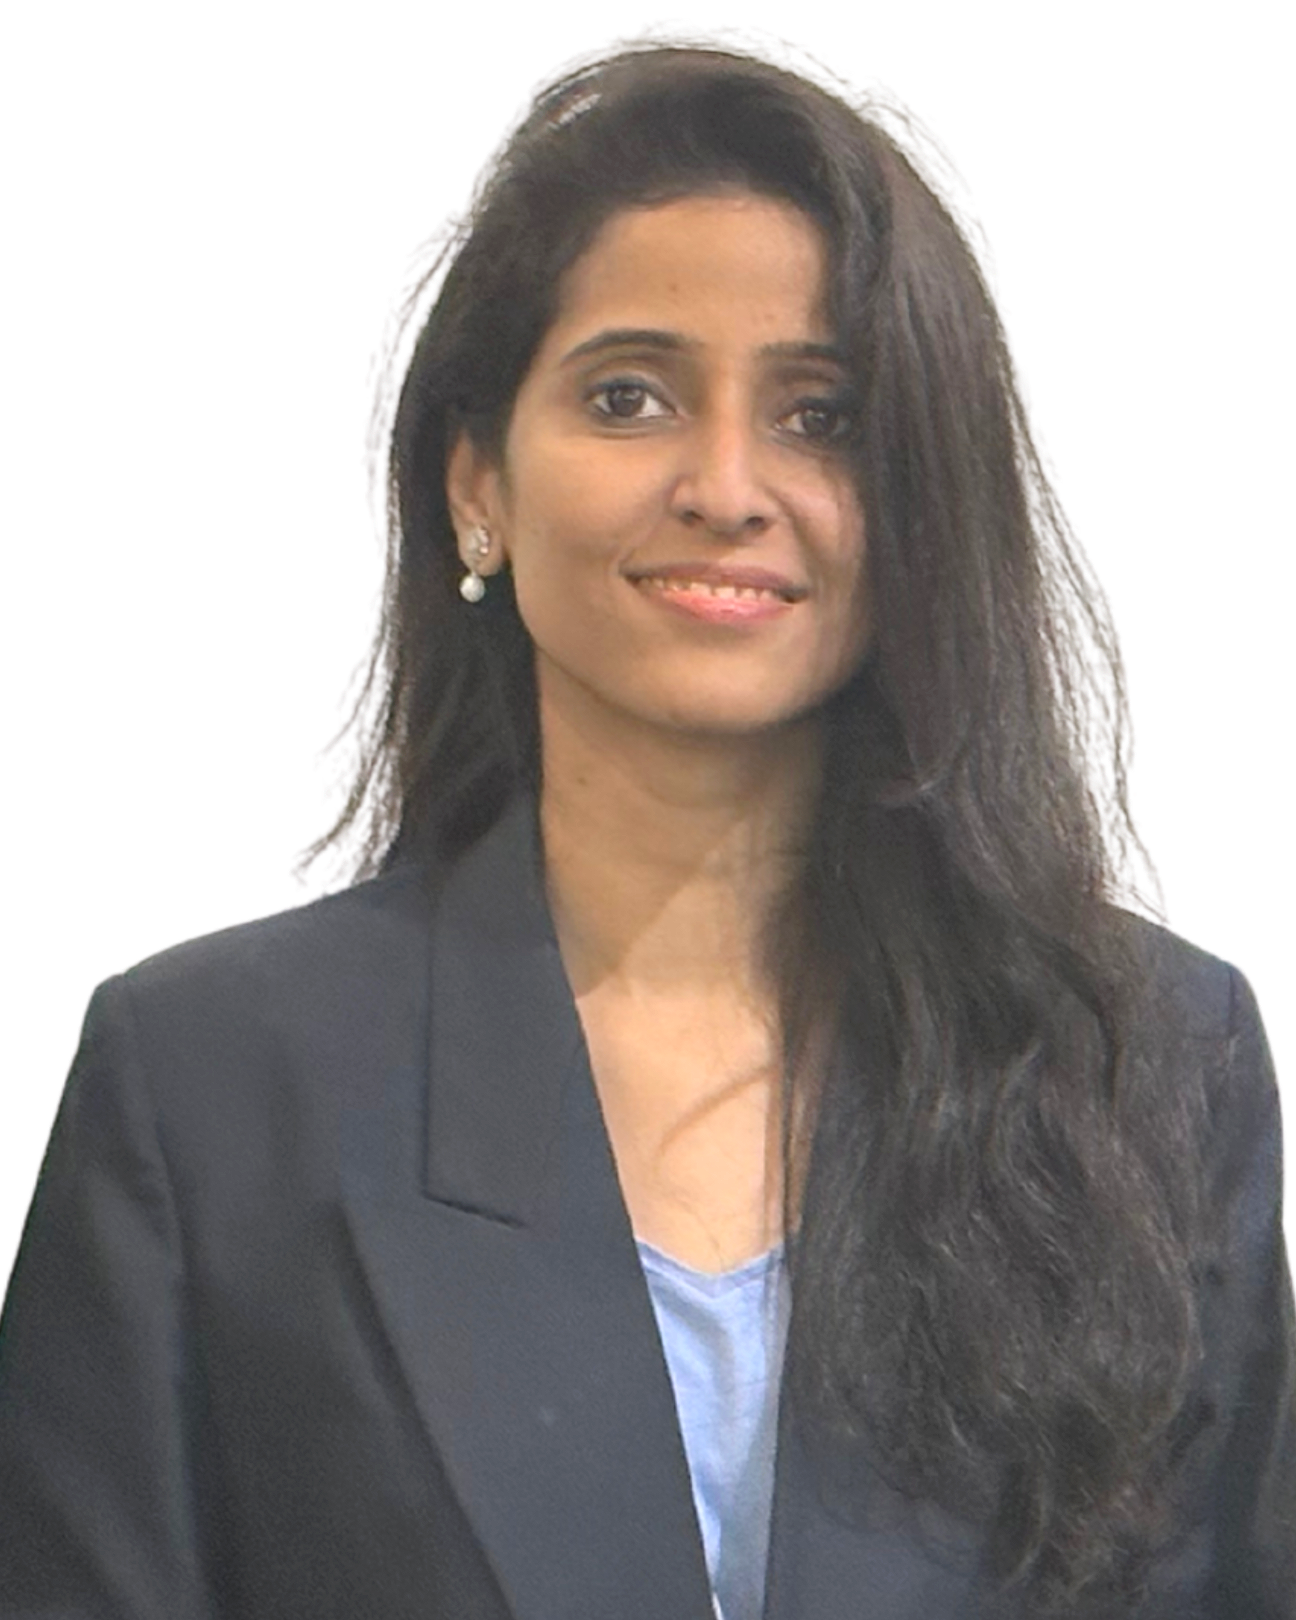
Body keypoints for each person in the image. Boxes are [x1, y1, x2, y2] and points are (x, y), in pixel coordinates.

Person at [2, 23, 1291, 1620]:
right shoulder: (204, 1087)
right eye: (630, 397)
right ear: (480, 480)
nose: (728, 485)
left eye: (822, 416)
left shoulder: (1155, 1067)